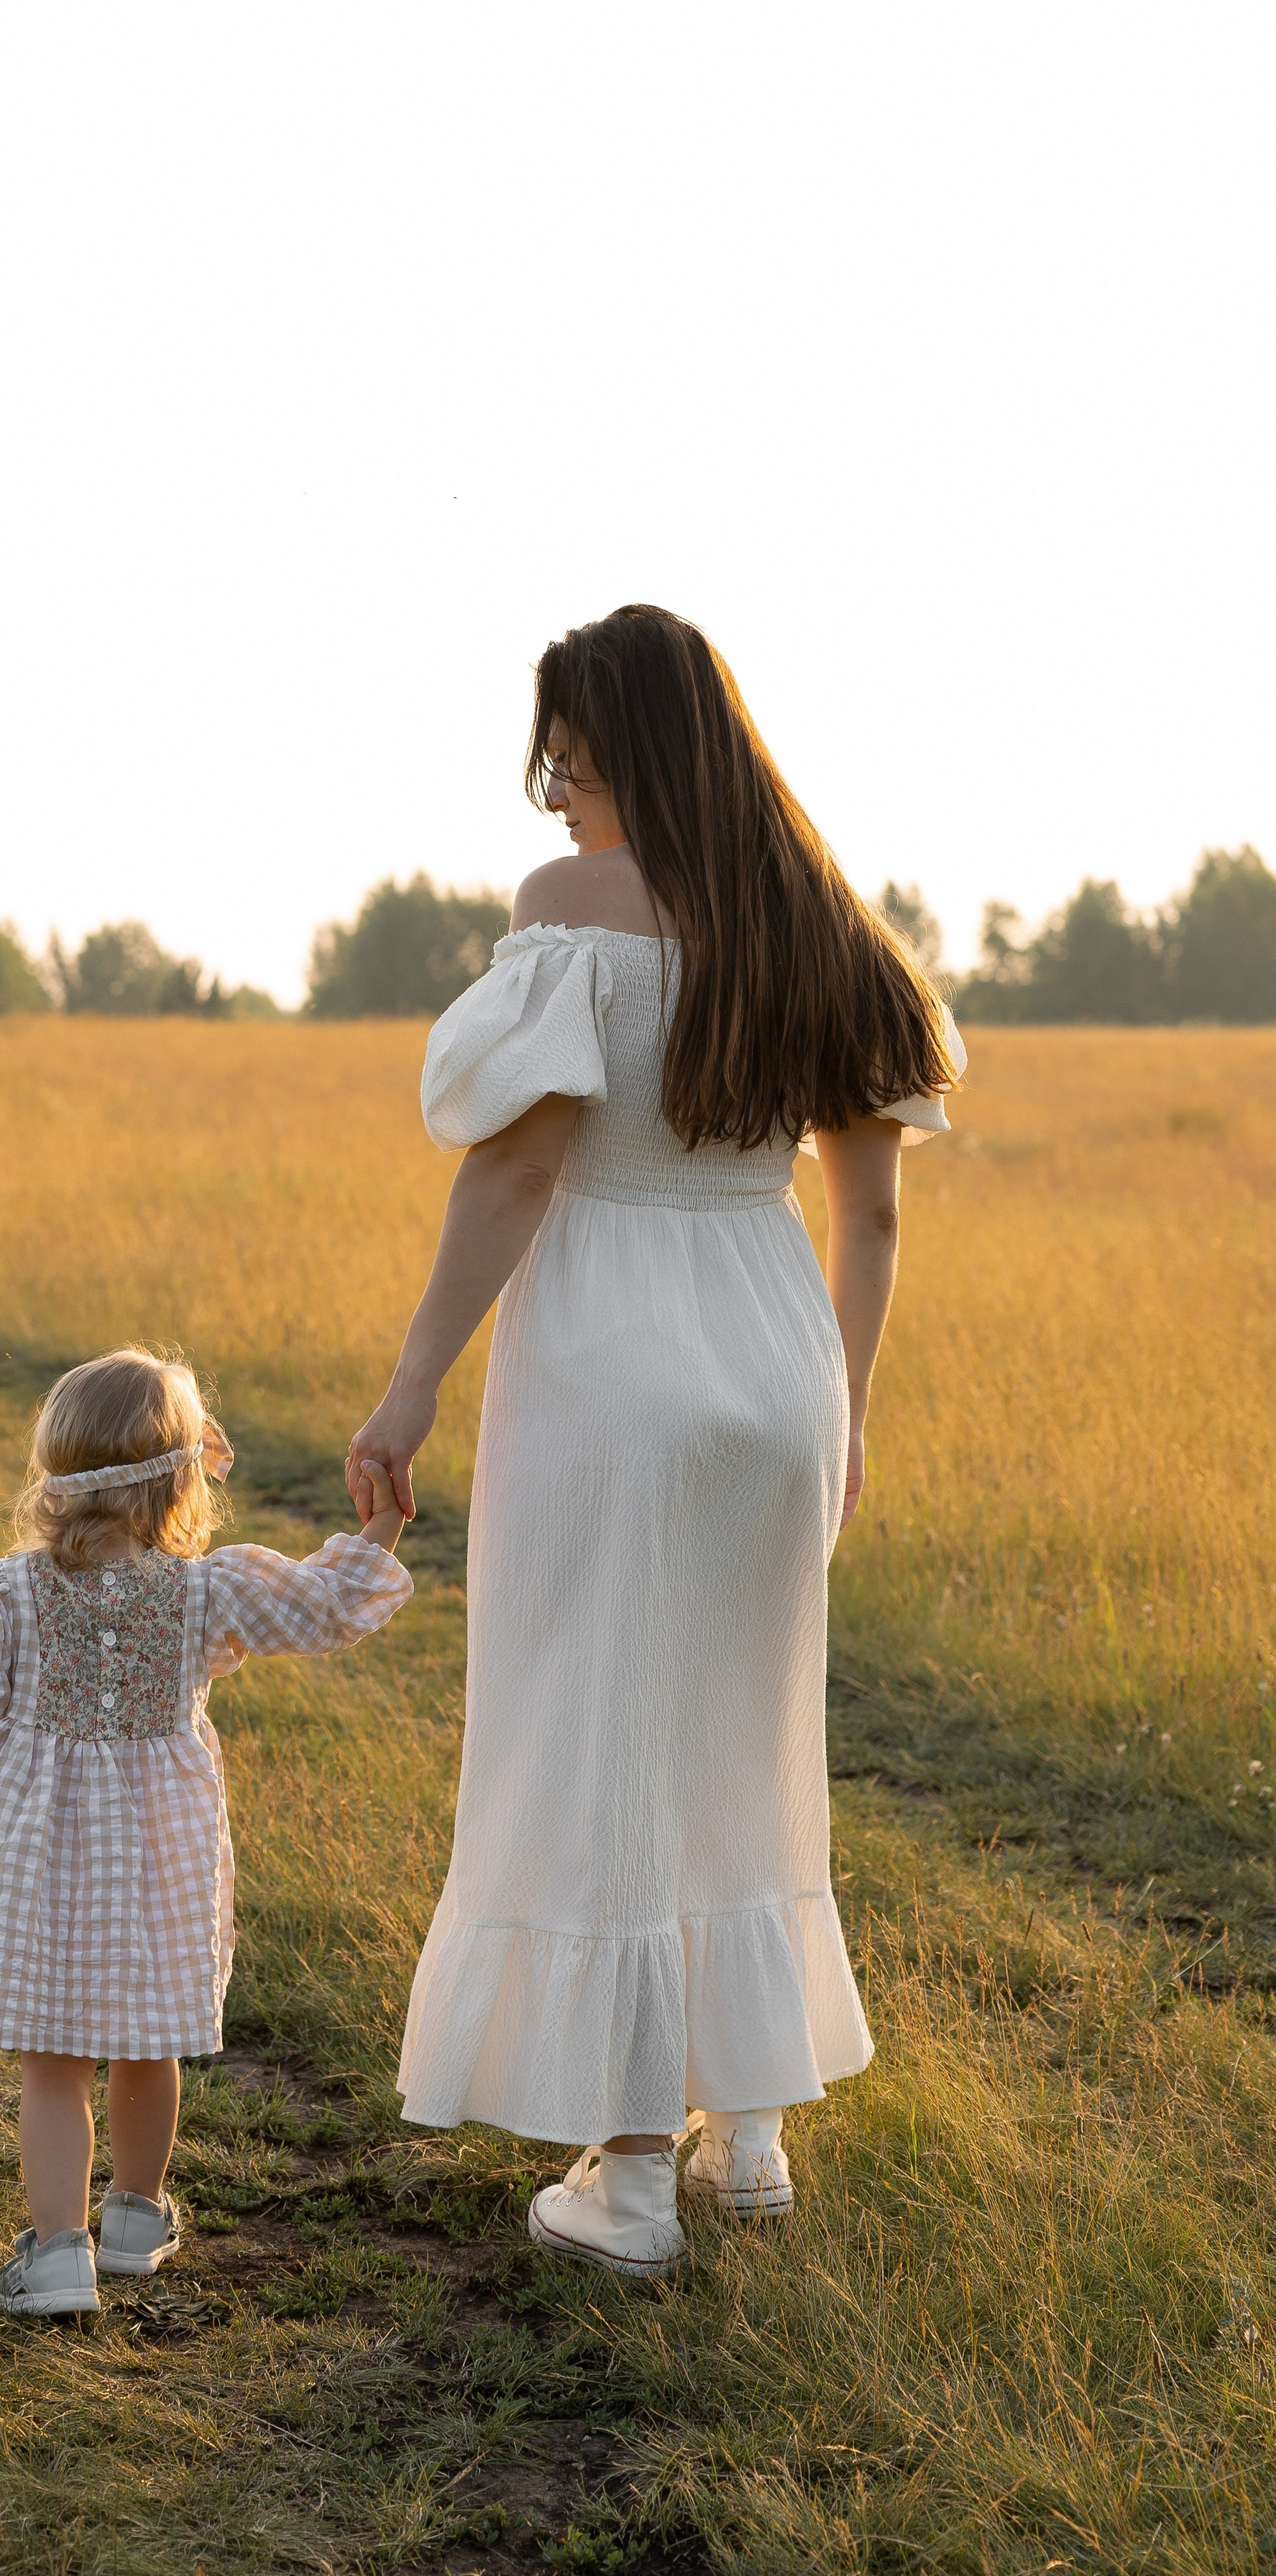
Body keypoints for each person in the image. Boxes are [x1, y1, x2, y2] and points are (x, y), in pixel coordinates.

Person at [346, 604, 964, 2277]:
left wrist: (407, 1390)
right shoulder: (824, 928)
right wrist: (833, 1418)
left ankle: (624, 2180)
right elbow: (875, 1219)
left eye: (568, 751)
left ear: (620, 746)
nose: (551, 793)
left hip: (611, 1353)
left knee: (599, 1734)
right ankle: (742, 2140)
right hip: (775, 1361)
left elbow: (520, 1168)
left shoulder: (569, 915)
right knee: (737, 1735)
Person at [0, 1346, 411, 2317]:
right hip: (159, 1854)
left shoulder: (2, 1592)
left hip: (37, 1856)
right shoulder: (206, 1590)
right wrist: (379, 1527)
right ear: (179, 1476)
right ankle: (135, 2213)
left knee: (54, 2061)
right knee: (145, 2040)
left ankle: (55, 2254)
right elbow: (327, 1607)